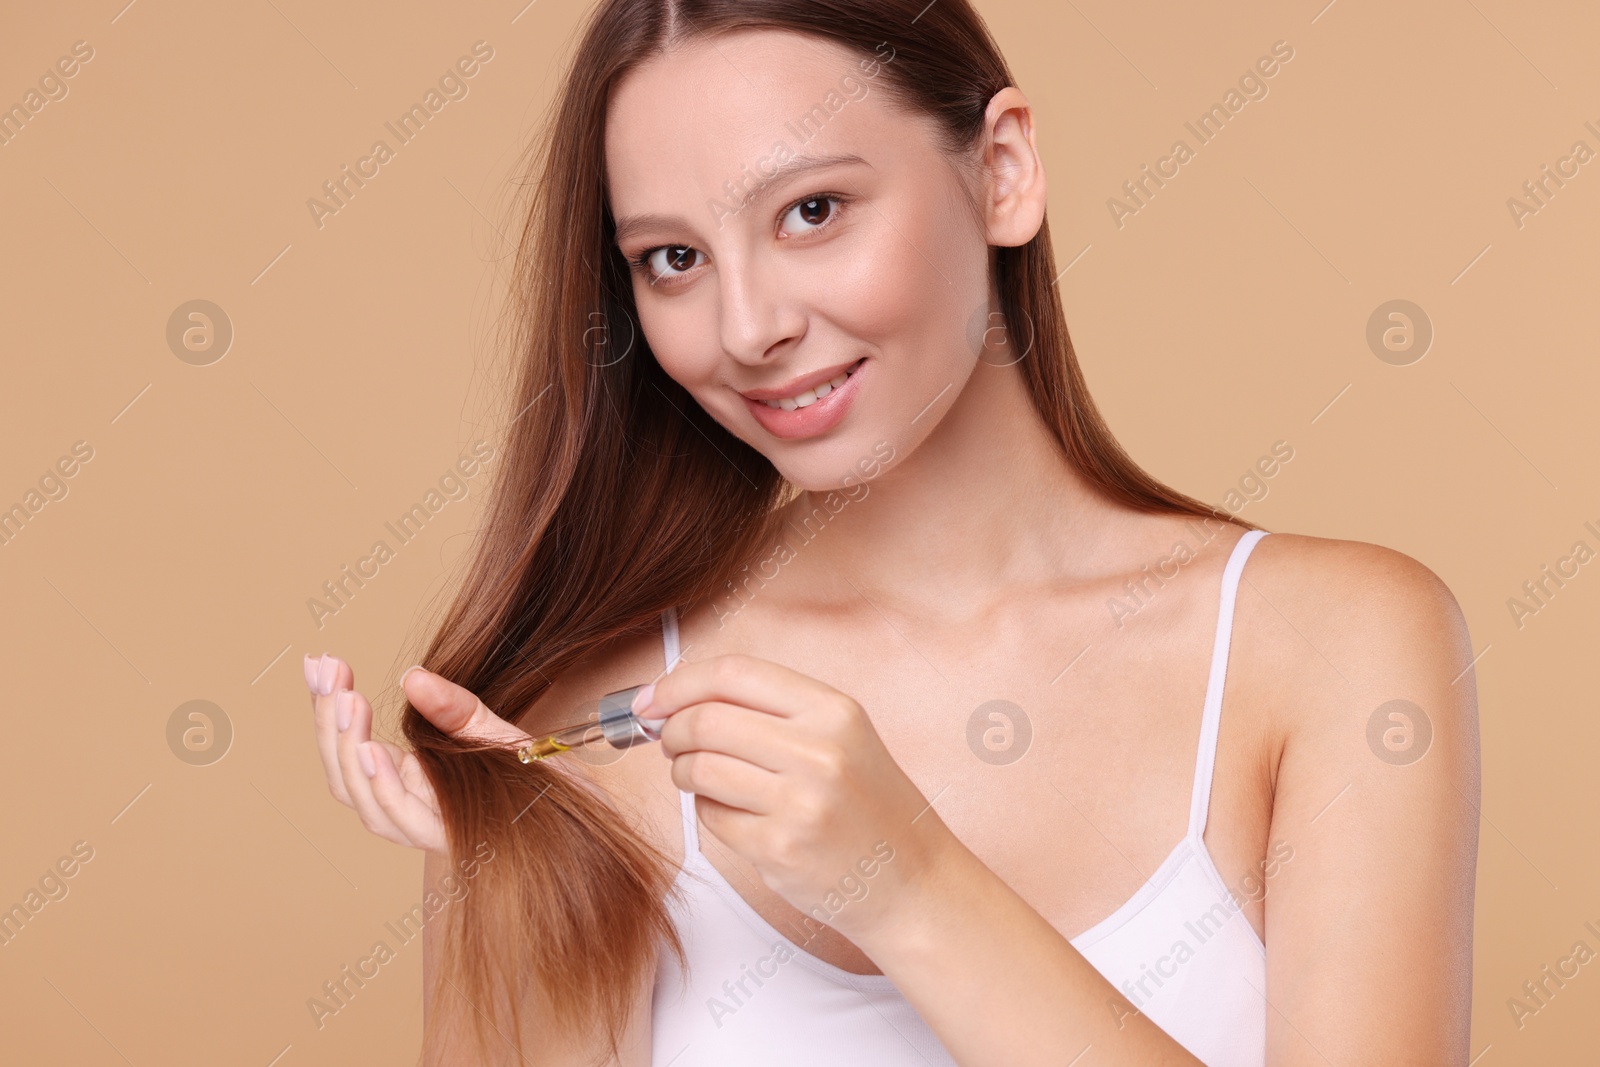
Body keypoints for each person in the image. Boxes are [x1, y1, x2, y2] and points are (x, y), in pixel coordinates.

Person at [305, 1, 1480, 1064]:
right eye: (673, 259)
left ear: (1004, 171)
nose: (749, 324)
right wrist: (509, 879)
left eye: (811, 211)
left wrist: (907, 880)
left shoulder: (1330, 644)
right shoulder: (590, 726)